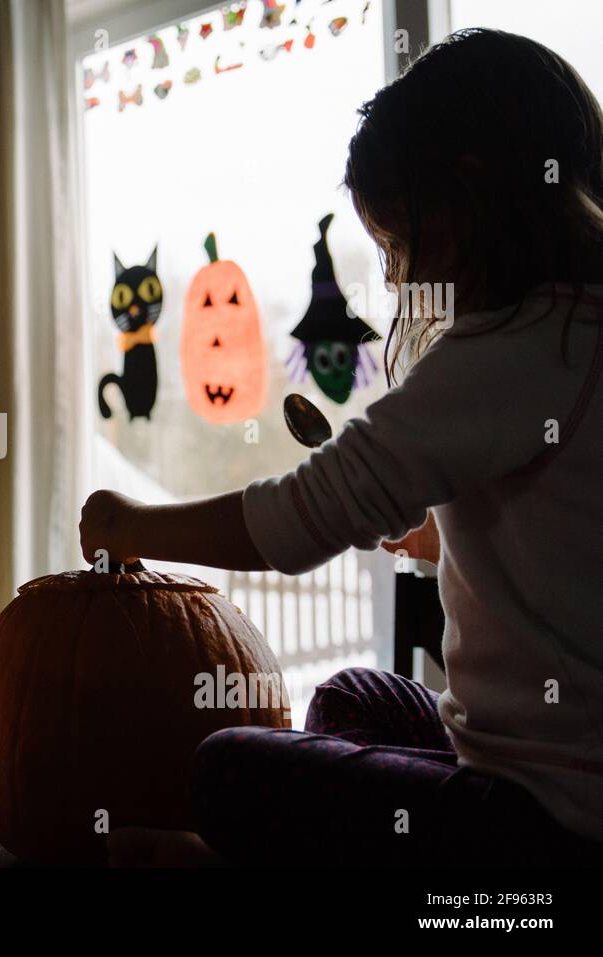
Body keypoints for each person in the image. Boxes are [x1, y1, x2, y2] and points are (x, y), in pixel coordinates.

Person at [83, 29, 603, 866]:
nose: (396, 280)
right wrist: (448, 539)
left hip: (544, 821)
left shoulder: (514, 346)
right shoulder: (577, 332)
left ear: (466, 192)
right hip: (533, 771)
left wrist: (130, 525)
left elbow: (302, 518)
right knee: (353, 696)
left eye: (398, 243)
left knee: (228, 769)